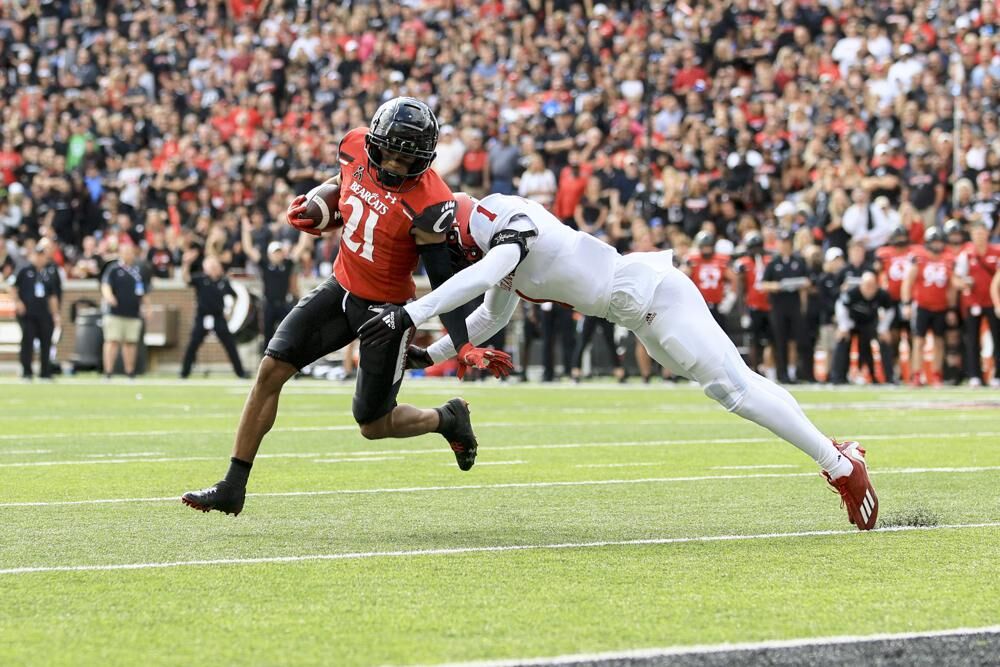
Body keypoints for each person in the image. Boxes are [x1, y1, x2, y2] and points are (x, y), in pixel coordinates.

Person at [367, 193, 879, 531]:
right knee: (738, 384)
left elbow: (488, 274)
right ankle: (836, 454)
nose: (445, 260)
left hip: (654, 295)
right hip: (640, 314)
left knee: (736, 390)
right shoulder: (492, 249)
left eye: (443, 250)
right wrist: (427, 355)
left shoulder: (503, 221)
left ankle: (839, 466)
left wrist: (413, 312)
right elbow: (489, 313)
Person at [181, 97, 509, 516]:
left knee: (372, 425)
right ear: (373, 142)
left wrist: (460, 342)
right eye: (387, 151)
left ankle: (447, 419)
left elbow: (443, 280)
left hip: (386, 313)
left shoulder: (431, 202)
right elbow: (344, 190)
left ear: (423, 160)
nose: (392, 164)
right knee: (271, 369)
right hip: (341, 287)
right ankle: (233, 484)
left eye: (405, 159)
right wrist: (319, 207)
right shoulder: (354, 147)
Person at [901, 227, 957, 387]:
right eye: (935, 241)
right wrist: (906, 303)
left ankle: (936, 375)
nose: (938, 245)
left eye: (940, 241)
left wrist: (952, 308)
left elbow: (952, 287)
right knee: (919, 341)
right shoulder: (919, 258)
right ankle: (916, 375)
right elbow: (908, 282)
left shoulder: (948, 258)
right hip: (922, 305)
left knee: (939, 342)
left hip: (941, 306)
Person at [179, 252, 248, 380]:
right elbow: (186, 279)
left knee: (230, 345)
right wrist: (186, 264)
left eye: (216, 266)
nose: (215, 269)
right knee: (193, 344)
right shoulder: (201, 279)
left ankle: (240, 372)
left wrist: (230, 310)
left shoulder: (223, 282)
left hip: (218, 317)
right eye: (211, 266)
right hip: (202, 317)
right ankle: (184, 372)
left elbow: (234, 296)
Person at [760, 229, 812, 384]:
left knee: (794, 341)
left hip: (794, 305)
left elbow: (808, 281)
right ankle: (781, 373)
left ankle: (792, 372)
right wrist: (777, 286)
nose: (785, 246)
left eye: (787, 243)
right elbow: (764, 284)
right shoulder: (773, 262)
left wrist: (800, 286)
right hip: (778, 306)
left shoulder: (799, 260)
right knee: (779, 340)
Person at [954, 221, 1000, 386]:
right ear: (972, 235)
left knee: (997, 338)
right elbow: (956, 278)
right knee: (972, 340)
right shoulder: (966, 254)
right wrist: (964, 283)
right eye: (976, 233)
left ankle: (997, 375)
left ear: (987, 234)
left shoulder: (997, 251)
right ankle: (975, 375)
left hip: (993, 302)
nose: (979, 236)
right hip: (972, 301)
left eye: (982, 233)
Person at [243, 217, 298, 350]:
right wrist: (245, 230)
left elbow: (300, 248)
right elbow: (248, 249)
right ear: (269, 255)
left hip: (284, 304)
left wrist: (307, 230)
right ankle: (267, 363)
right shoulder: (265, 265)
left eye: (279, 252)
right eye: (275, 253)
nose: (278, 255)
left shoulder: (287, 265)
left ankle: (291, 362)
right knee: (268, 335)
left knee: (289, 333)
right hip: (269, 305)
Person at [831, 272, 895, 384]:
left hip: (871, 324)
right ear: (861, 285)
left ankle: (888, 377)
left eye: (872, 286)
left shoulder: (882, 295)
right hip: (852, 323)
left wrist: (883, 328)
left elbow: (890, 310)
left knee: (884, 341)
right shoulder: (852, 293)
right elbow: (841, 306)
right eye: (867, 286)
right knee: (842, 340)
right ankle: (838, 377)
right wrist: (843, 326)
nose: (869, 289)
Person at [13, 245, 60, 380]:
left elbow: (52, 296)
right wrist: (18, 302)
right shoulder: (23, 270)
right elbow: (13, 287)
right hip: (28, 314)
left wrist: (55, 314)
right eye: (37, 255)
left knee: (46, 343)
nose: (40, 258)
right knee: (27, 343)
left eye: (42, 255)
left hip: (44, 314)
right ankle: (27, 371)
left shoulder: (48, 273)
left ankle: (45, 372)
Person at [100, 241, 145, 379]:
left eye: (130, 252)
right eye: (125, 252)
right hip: (115, 312)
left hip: (133, 313)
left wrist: (147, 307)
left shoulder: (138, 271)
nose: (128, 255)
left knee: (130, 342)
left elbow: (144, 291)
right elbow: (105, 285)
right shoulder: (113, 269)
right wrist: (109, 297)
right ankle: (108, 372)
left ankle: (130, 371)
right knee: (112, 341)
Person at [684, 231, 732, 332]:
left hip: (718, 303)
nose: (706, 250)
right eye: (704, 247)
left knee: (721, 334)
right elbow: (682, 277)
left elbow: (733, 278)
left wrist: (730, 297)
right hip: (700, 304)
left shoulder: (721, 259)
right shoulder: (692, 260)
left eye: (708, 246)